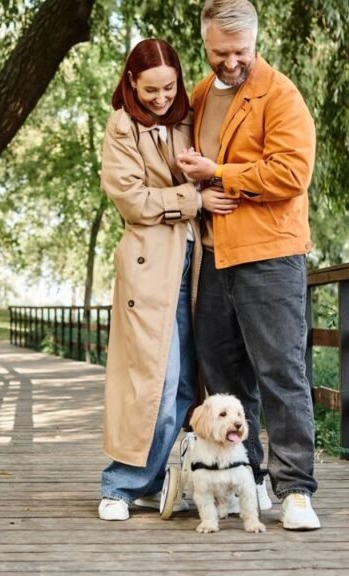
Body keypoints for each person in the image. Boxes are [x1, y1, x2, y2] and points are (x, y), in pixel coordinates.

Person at [176, 0, 319, 530]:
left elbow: (291, 173)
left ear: (255, 43)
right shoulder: (197, 93)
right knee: (225, 376)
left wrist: (219, 172)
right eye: (219, 53)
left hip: (270, 255)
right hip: (214, 256)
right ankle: (250, 477)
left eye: (240, 52)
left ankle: (296, 490)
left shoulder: (280, 96)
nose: (230, 62)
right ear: (206, 44)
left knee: (281, 372)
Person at [97, 38, 206, 521]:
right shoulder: (122, 126)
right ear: (131, 84)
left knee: (185, 384)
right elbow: (131, 201)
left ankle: (158, 482)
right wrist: (191, 199)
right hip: (148, 266)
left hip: (195, 262)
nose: (161, 98)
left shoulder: (191, 114)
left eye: (168, 87)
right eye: (150, 91)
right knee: (152, 381)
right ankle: (119, 485)